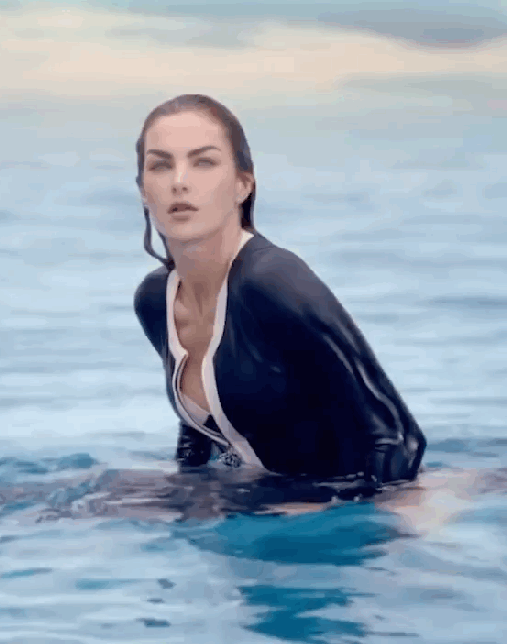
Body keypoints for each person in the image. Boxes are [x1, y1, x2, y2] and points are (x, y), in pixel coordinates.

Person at [132, 94, 426, 494]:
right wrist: (185, 494)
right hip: (262, 496)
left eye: (203, 162)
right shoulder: (155, 300)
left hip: (342, 504)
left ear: (242, 185)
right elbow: (200, 430)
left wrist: (351, 513)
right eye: (161, 165)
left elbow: (398, 438)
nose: (179, 181)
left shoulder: (271, 280)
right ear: (143, 191)